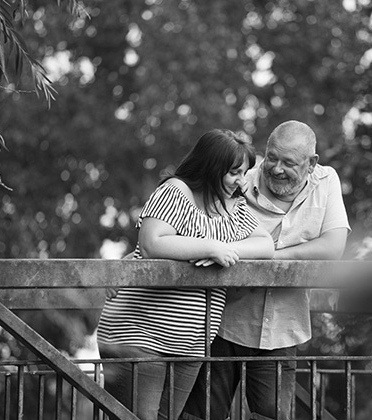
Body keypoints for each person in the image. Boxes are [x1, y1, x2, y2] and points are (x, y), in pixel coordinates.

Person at [96, 129, 275, 420]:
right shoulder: (176, 191)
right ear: (212, 167)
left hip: (191, 344)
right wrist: (209, 247)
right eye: (234, 172)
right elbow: (153, 242)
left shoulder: (232, 206)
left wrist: (226, 249)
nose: (241, 181)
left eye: (244, 173)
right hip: (141, 335)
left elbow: (265, 245)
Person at [181, 120, 350, 420]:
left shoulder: (327, 182)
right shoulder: (239, 176)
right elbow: (187, 213)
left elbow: (333, 247)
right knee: (202, 413)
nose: (276, 168)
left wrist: (273, 259)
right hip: (222, 321)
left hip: (283, 328)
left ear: (312, 163)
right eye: (272, 157)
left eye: (289, 163)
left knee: (273, 416)